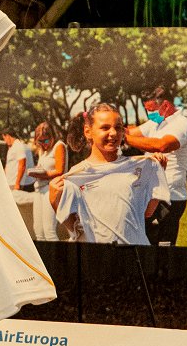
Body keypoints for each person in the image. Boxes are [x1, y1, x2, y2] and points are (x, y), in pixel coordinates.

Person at [49, 104, 169, 245]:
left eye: (118, 127)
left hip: (135, 252)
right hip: (99, 255)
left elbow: (147, 213)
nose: (113, 133)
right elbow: (75, 229)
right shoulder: (77, 175)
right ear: (88, 132)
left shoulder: (137, 166)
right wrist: (54, 201)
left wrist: (157, 175)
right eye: (105, 128)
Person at [122, 87, 187, 246]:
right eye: (147, 110)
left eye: (151, 110)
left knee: (163, 247)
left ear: (166, 105)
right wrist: (110, 128)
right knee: (143, 242)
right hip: (150, 195)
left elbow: (161, 145)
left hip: (170, 199)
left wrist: (124, 139)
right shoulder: (155, 123)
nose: (150, 114)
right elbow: (130, 132)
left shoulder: (182, 125)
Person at [27, 121, 67, 241]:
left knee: (49, 230)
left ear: (52, 137)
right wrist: (36, 171)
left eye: (45, 141)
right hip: (39, 189)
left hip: (50, 189)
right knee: (38, 230)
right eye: (39, 141)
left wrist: (43, 174)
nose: (43, 144)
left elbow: (60, 170)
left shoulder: (59, 146)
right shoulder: (42, 150)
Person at [0, 129, 38, 237]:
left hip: (17, 183)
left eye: (4, 138)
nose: (5, 141)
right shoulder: (12, 148)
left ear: (7, 135)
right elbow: (8, 165)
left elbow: (22, 164)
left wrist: (17, 183)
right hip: (10, 182)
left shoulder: (18, 146)